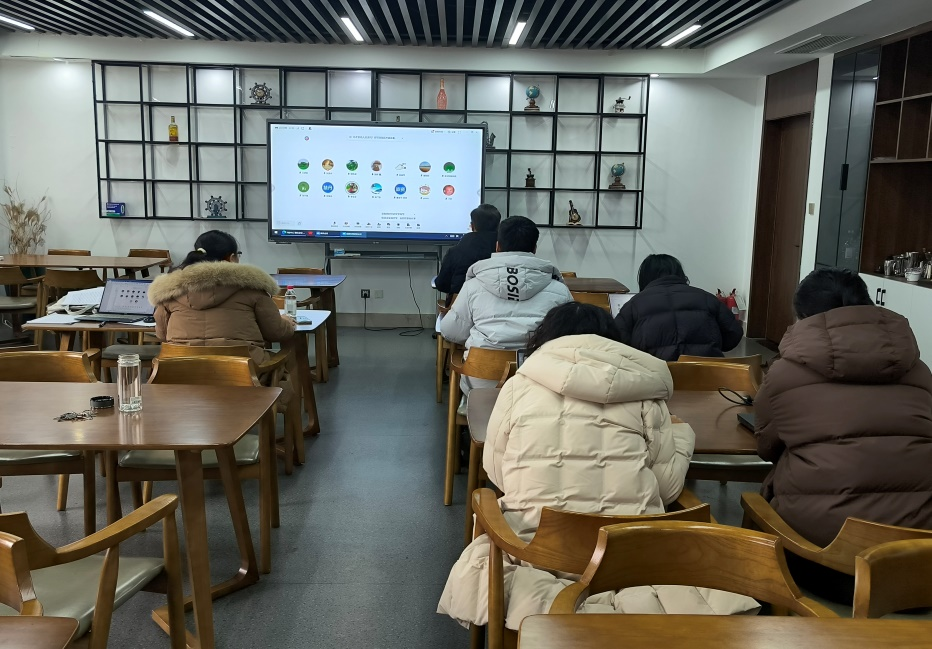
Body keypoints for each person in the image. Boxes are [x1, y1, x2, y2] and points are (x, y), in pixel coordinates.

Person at [438, 303, 757, 629]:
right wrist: (682, 435)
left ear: (544, 339)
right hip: (629, 556)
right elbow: (667, 488)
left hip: (537, 551)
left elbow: (497, 472)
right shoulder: (645, 391)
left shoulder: (517, 386)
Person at [756, 268, 932, 548]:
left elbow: (766, 447)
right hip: (911, 546)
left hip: (819, 544)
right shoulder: (920, 371)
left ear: (804, 317)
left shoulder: (783, 374)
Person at [439, 215, 572, 392]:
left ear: (497, 246)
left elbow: (450, 331)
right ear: (534, 248)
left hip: (481, 382)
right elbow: (569, 340)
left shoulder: (473, 286)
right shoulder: (559, 290)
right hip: (538, 384)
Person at [149, 230, 296, 380]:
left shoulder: (170, 292)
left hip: (181, 376)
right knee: (282, 367)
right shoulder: (253, 289)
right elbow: (275, 332)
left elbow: (162, 335)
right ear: (231, 258)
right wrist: (286, 322)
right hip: (243, 379)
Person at [615, 254, 743, 361]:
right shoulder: (707, 298)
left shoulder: (635, 303)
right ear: (680, 274)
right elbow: (734, 333)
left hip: (656, 377)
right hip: (708, 376)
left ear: (644, 278)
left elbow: (616, 343)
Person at [434, 204, 501, 302]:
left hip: (461, 306)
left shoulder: (455, 251)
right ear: (498, 226)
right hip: (495, 305)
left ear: (472, 226)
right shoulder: (506, 252)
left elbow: (442, 284)